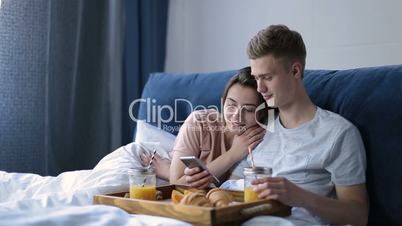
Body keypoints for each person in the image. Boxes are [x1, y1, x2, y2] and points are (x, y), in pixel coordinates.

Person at [231, 25, 368, 226]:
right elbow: (231, 189)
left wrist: (299, 196)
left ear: (295, 71)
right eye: (256, 78)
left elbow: (359, 215)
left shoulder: (338, 133)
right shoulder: (259, 130)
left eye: (267, 77)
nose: (260, 88)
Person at [164, 67, 268, 188]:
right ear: (223, 102)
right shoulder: (198, 123)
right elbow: (176, 183)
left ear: (262, 113)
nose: (236, 116)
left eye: (249, 109)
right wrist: (233, 154)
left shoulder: (260, 138)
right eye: (231, 105)